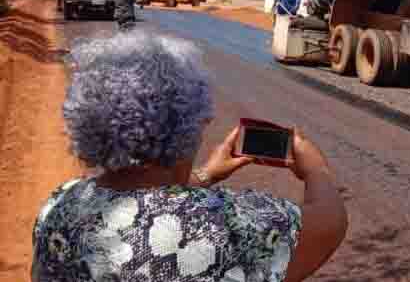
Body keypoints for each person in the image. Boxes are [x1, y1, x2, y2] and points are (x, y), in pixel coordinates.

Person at [31, 32, 348, 282]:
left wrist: (206, 174)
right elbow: (330, 224)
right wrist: (315, 170)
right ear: (188, 124)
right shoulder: (222, 224)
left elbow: (144, 199)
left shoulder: (60, 206)